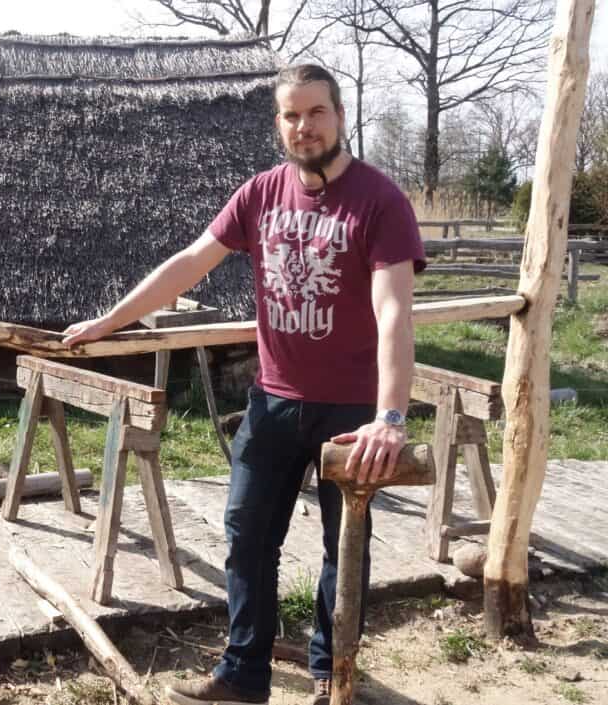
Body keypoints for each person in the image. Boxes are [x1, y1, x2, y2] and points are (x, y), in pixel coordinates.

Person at [62, 63, 426, 705]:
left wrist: (390, 416)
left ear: (339, 116)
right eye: (291, 115)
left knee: (347, 551)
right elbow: (190, 263)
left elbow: (394, 309)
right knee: (247, 536)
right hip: (274, 399)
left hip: (351, 409)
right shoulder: (259, 193)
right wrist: (111, 320)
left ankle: (330, 671)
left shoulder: (380, 200)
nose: (304, 126)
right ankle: (243, 675)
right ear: (278, 124)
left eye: (316, 112)